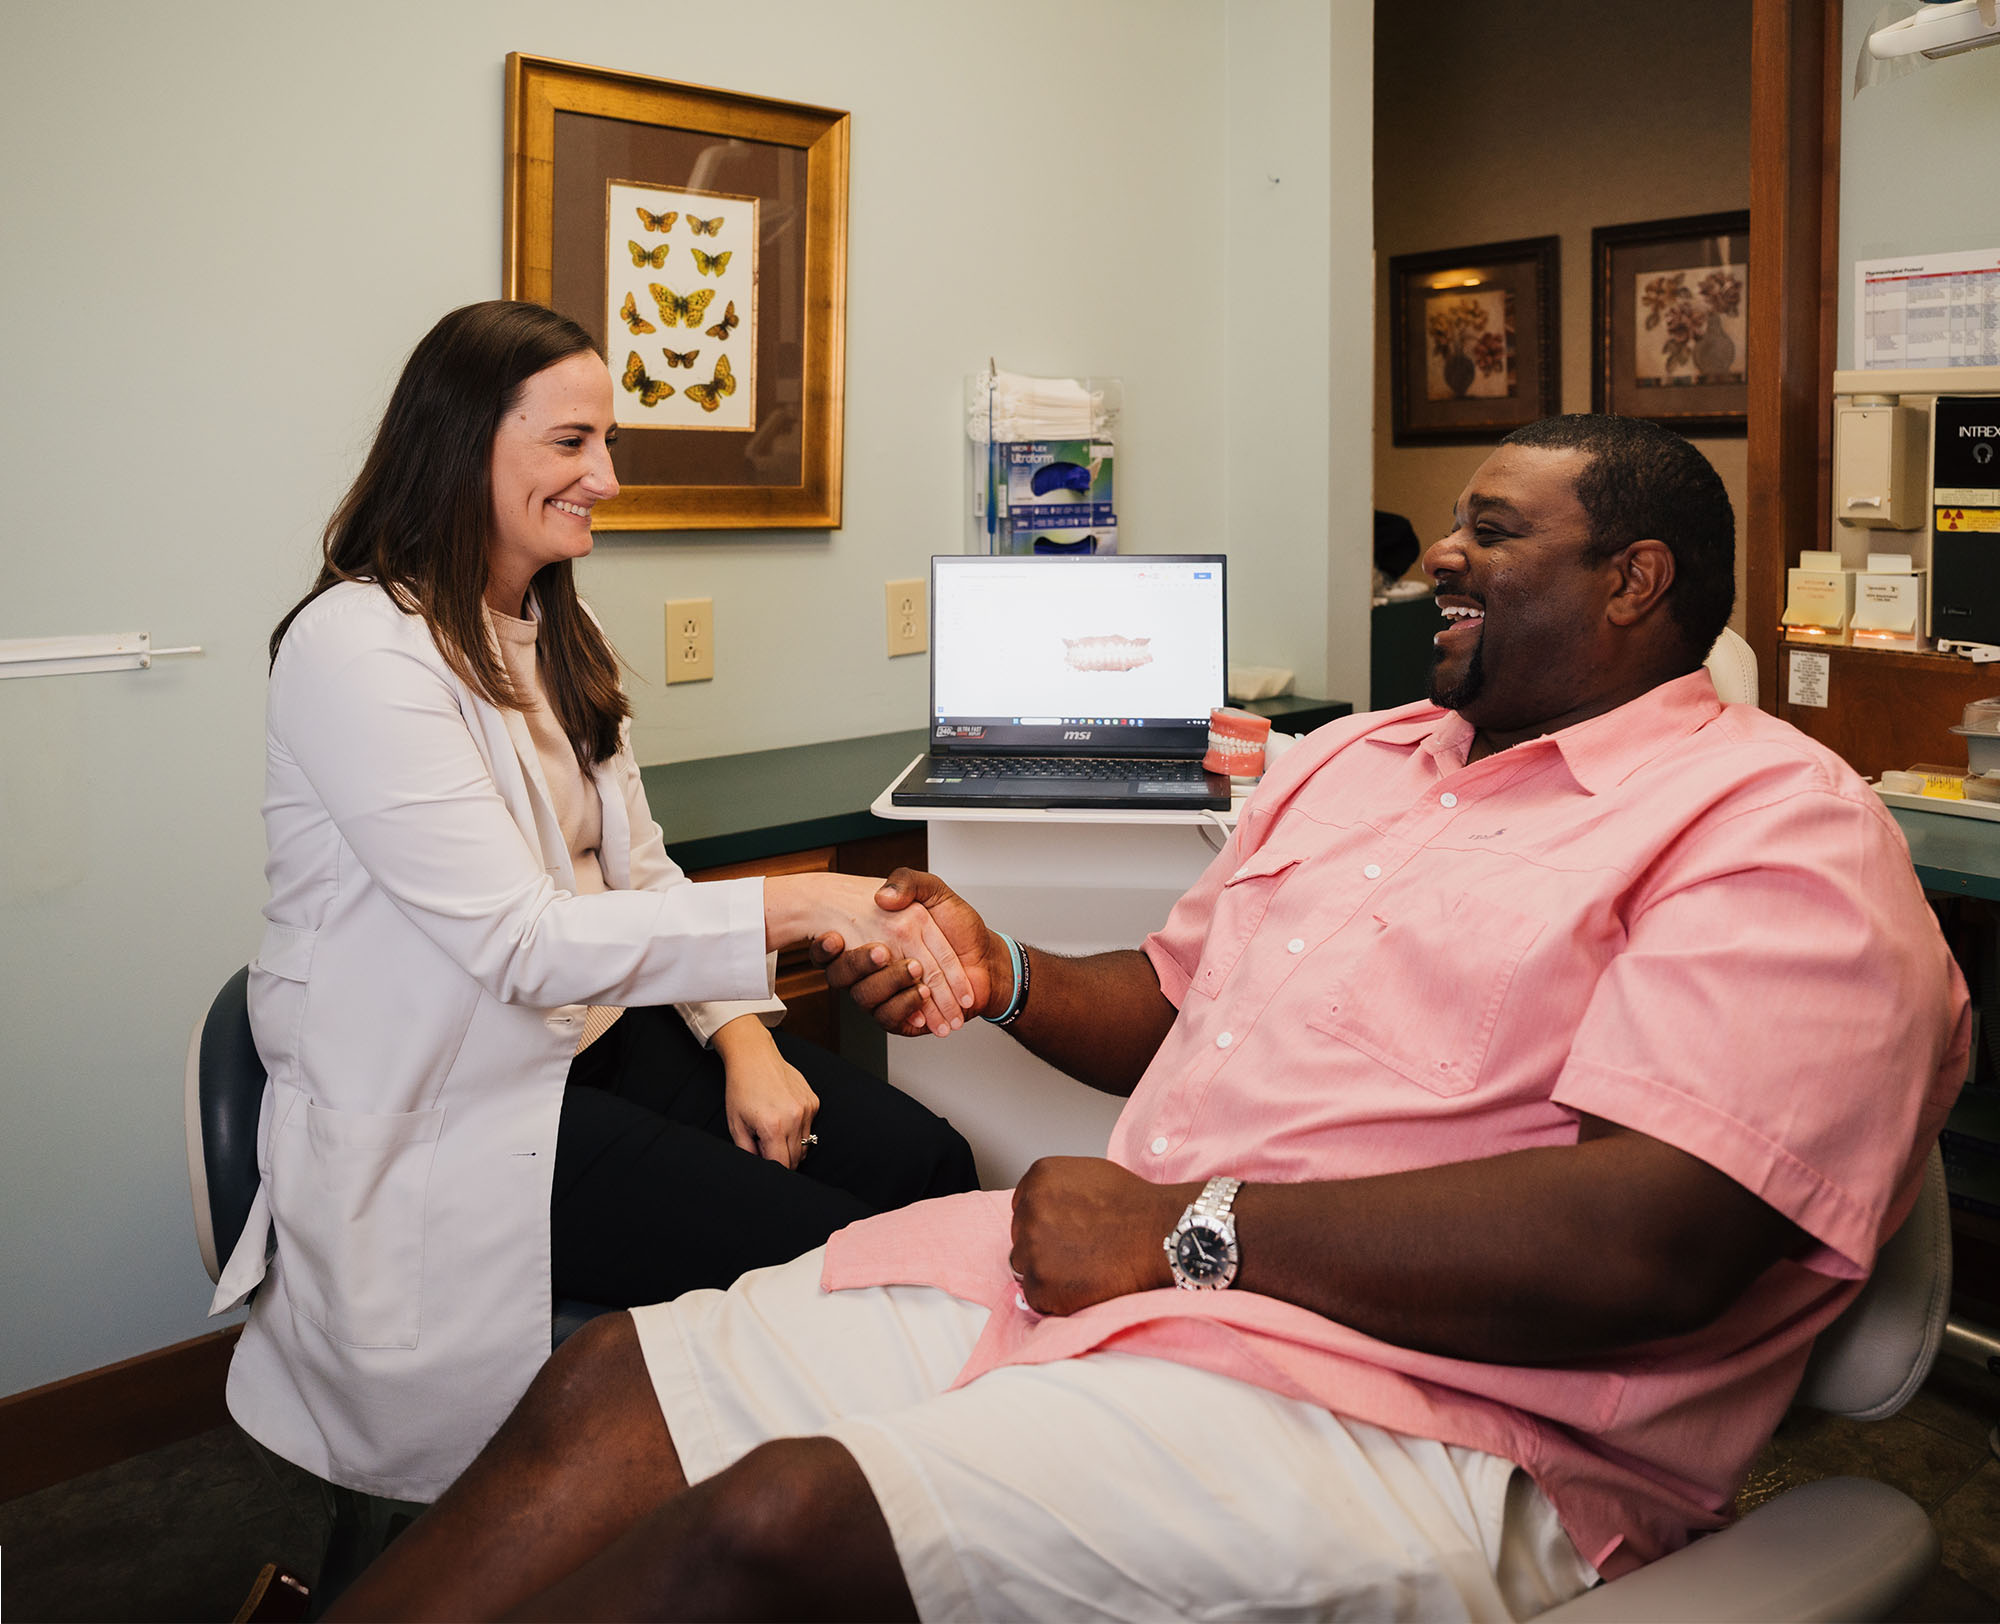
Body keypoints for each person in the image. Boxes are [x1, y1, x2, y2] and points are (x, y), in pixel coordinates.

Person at [326, 414, 1968, 1621]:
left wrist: (1189, 1230)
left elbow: (1649, 1245)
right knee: (611, 1383)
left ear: (1637, 578)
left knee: (776, 1522)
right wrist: (1004, 961)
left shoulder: (1776, 830)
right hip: (1123, 1285)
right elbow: (1182, 1002)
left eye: (1492, 528)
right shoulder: (1359, 763)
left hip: (1431, 1404)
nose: (1439, 555)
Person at [213, 300, 981, 1505]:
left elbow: (641, 875)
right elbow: (521, 943)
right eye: (572, 443)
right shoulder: (356, 651)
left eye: (607, 443)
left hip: (603, 1047)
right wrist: (804, 903)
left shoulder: (554, 632)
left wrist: (742, 1038)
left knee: (929, 1161)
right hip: (462, 1108)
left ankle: (937, 1499)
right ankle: (801, 1533)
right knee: (838, 1264)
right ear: (465, 442)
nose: (607, 477)